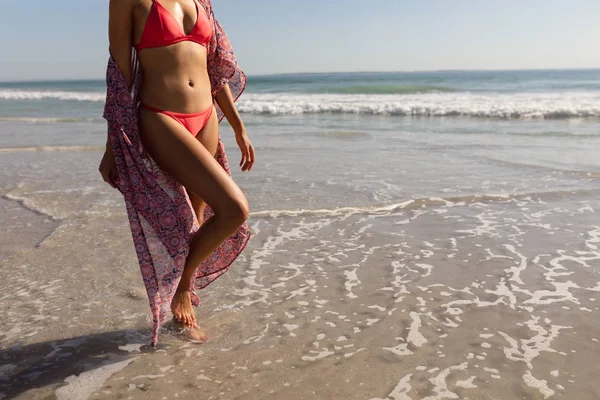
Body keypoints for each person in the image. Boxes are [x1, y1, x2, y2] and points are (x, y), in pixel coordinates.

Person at [99, 0, 254, 345]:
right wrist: (113, 143)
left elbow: (215, 69)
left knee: (195, 225)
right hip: (161, 115)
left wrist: (239, 126)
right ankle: (182, 287)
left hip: (206, 117)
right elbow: (120, 74)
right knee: (234, 209)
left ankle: (183, 314)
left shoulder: (201, 2)